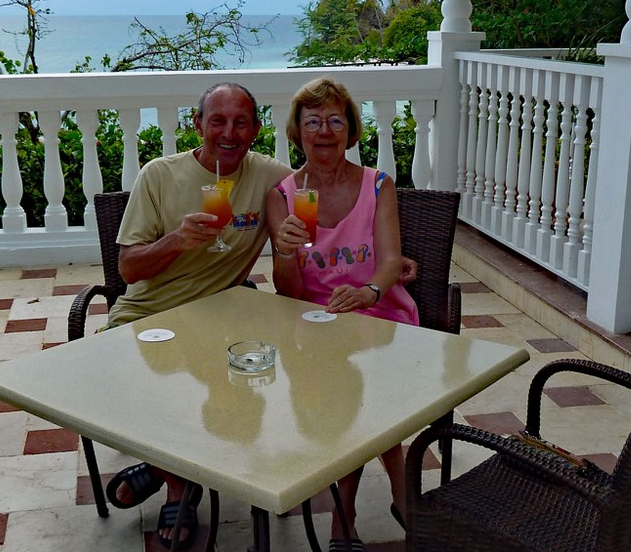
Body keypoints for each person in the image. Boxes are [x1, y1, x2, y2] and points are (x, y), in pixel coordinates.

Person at [104, 81, 291, 549]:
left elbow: (329, 188)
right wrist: (175, 241)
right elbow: (128, 269)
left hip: (219, 313)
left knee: (241, 374)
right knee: (156, 382)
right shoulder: (159, 175)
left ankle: (168, 474)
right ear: (198, 124)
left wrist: (392, 262)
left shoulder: (270, 176)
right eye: (218, 120)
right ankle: (179, 482)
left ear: (255, 129)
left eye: (241, 122)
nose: (229, 132)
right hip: (147, 314)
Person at [267, 77, 417, 551]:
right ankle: (398, 487)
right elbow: (288, 291)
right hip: (315, 321)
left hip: (378, 311)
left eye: (336, 121)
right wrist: (285, 252)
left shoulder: (378, 185)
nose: (325, 131)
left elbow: (392, 260)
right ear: (298, 133)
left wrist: (369, 291)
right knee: (343, 378)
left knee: (359, 379)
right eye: (314, 122)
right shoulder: (285, 196)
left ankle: (345, 514)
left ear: (351, 131)